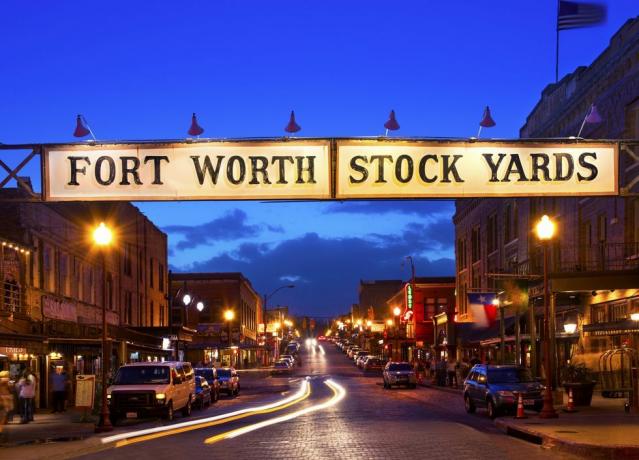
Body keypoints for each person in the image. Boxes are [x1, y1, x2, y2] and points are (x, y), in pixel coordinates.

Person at [0, 371, 14, 437]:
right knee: (2, 417)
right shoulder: (7, 381)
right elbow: (10, 389)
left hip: (2, 400)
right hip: (4, 400)